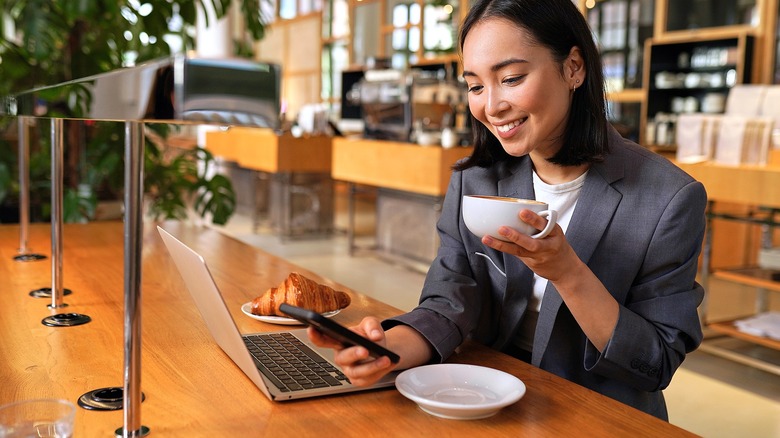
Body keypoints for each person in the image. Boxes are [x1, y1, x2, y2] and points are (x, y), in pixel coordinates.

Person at [310, 0, 707, 420]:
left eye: (512, 78)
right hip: (482, 400)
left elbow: (656, 362)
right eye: (476, 86)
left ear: (573, 67)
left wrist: (568, 273)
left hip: (596, 413)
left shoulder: (668, 198)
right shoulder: (475, 180)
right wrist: (388, 350)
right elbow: (449, 301)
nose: (491, 106)